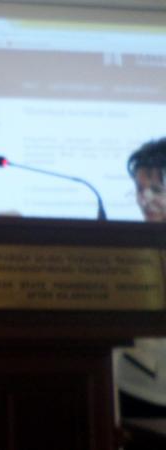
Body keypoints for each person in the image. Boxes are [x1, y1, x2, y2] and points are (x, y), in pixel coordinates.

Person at [117, 136, 166, 418]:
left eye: (156, 190)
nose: (145, 200)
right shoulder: (128, 248)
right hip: (136, 389)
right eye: (139, 189)